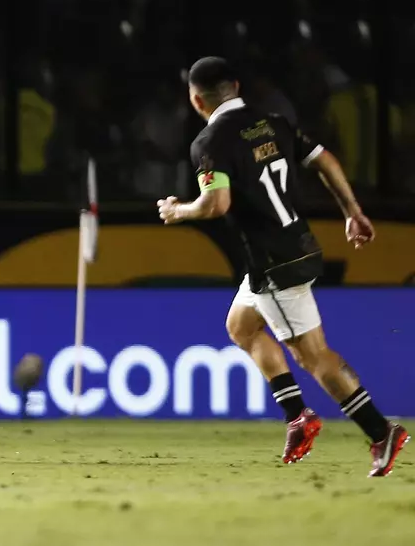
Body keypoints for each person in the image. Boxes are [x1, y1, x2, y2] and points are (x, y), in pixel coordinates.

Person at [157, 57, 408, 477]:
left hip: (274, 262)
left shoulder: (210, 142)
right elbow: (324, 159)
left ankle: (381, 432)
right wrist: (352, 211)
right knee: (241, 327)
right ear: (235, 86)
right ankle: (297, 416)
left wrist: (179, 210)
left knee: (314, 357)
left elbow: (216, 204)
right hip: (298, 245)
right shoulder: (274, 122)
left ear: (196, 100)